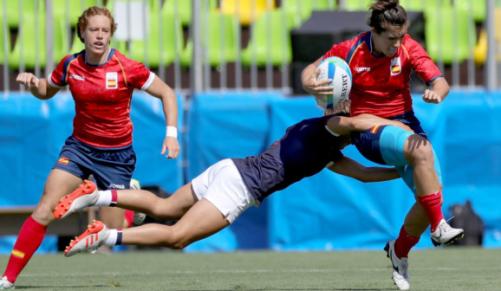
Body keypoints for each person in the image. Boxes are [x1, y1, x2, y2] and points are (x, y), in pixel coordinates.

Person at [0, 6, 179, 290]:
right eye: (94, 30)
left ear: (111, 34)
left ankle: (130, 206)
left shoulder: (126, 67)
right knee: (46, 208)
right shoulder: (70, 65)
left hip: (117, 158)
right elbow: (47, 90)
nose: (99, 36)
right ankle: (8, 278)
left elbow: (167, 93)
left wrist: (171, 134)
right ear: (82, 33)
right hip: (79, 150)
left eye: (105, 31)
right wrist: (35, 85)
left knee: (112, 230)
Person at [53, 113, 405, 257]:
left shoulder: (325, 150)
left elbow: (363, 174)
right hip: (240, 187)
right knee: (178, 237)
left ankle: (98, 194)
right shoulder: (326, 129)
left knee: (164, 208)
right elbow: (356, 121)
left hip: (229, 168)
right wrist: (394, 126)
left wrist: (400, 171)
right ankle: (103, 236)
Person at [301, 0, 463, 290]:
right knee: (422, 153)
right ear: (374, 31)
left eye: (401, 37)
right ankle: (439, 228)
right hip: (368, 129)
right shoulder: (350, 50)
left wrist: (436, 93)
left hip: (406, 124)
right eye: (391, 38)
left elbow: (440, 82)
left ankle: (398, 252)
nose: (397, 44)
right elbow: (312, 69)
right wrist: (309, 83)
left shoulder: (408, 47)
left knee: (430, 198)